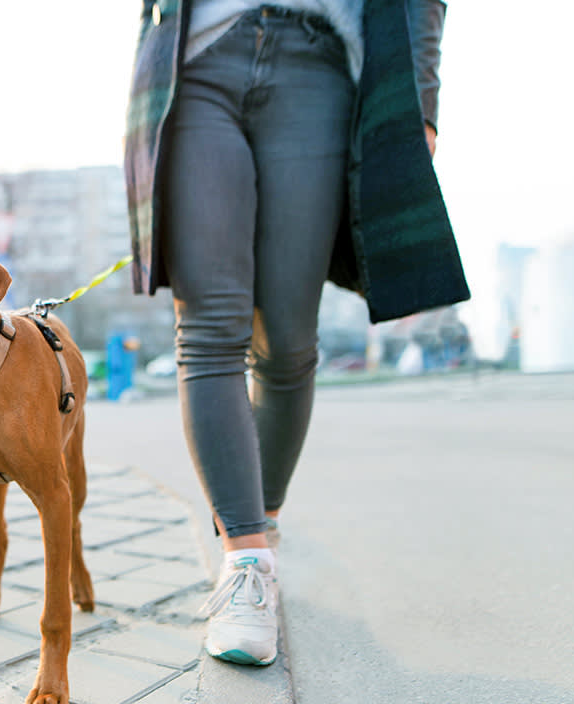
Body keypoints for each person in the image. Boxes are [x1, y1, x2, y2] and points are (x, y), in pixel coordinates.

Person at [123, 0, 469, 666]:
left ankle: (260, 526)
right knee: (211, 325)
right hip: (196, 63)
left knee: (286, 340)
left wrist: (421, 101)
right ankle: (246, 562)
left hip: (321, 67)